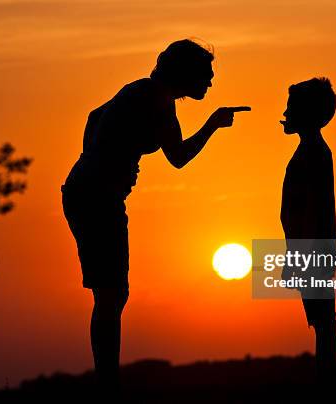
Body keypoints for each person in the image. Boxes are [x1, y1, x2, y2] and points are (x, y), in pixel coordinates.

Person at [61, 39, 250, 389]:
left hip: (89, 193)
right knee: (112, 293)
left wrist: (101, 160)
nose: (210, 81)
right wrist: (212, 125)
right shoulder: (156, 102)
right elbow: (178, 157)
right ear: (187, 74)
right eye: (206, 75)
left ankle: (108, 381)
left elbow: (93, 117)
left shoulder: (143, 92)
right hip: (97, 198)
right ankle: (108, 384)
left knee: (111, 293)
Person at [279, 77, 336, 383]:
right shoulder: (310, 150)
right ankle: (324, 378)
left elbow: (313, 209)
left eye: (291, 107)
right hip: (309, 249)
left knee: (323, 321)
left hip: (312, 250)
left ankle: (325, 382)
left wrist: (300, 258)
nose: (286, 113)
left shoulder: (315, 152)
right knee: (321, 320)